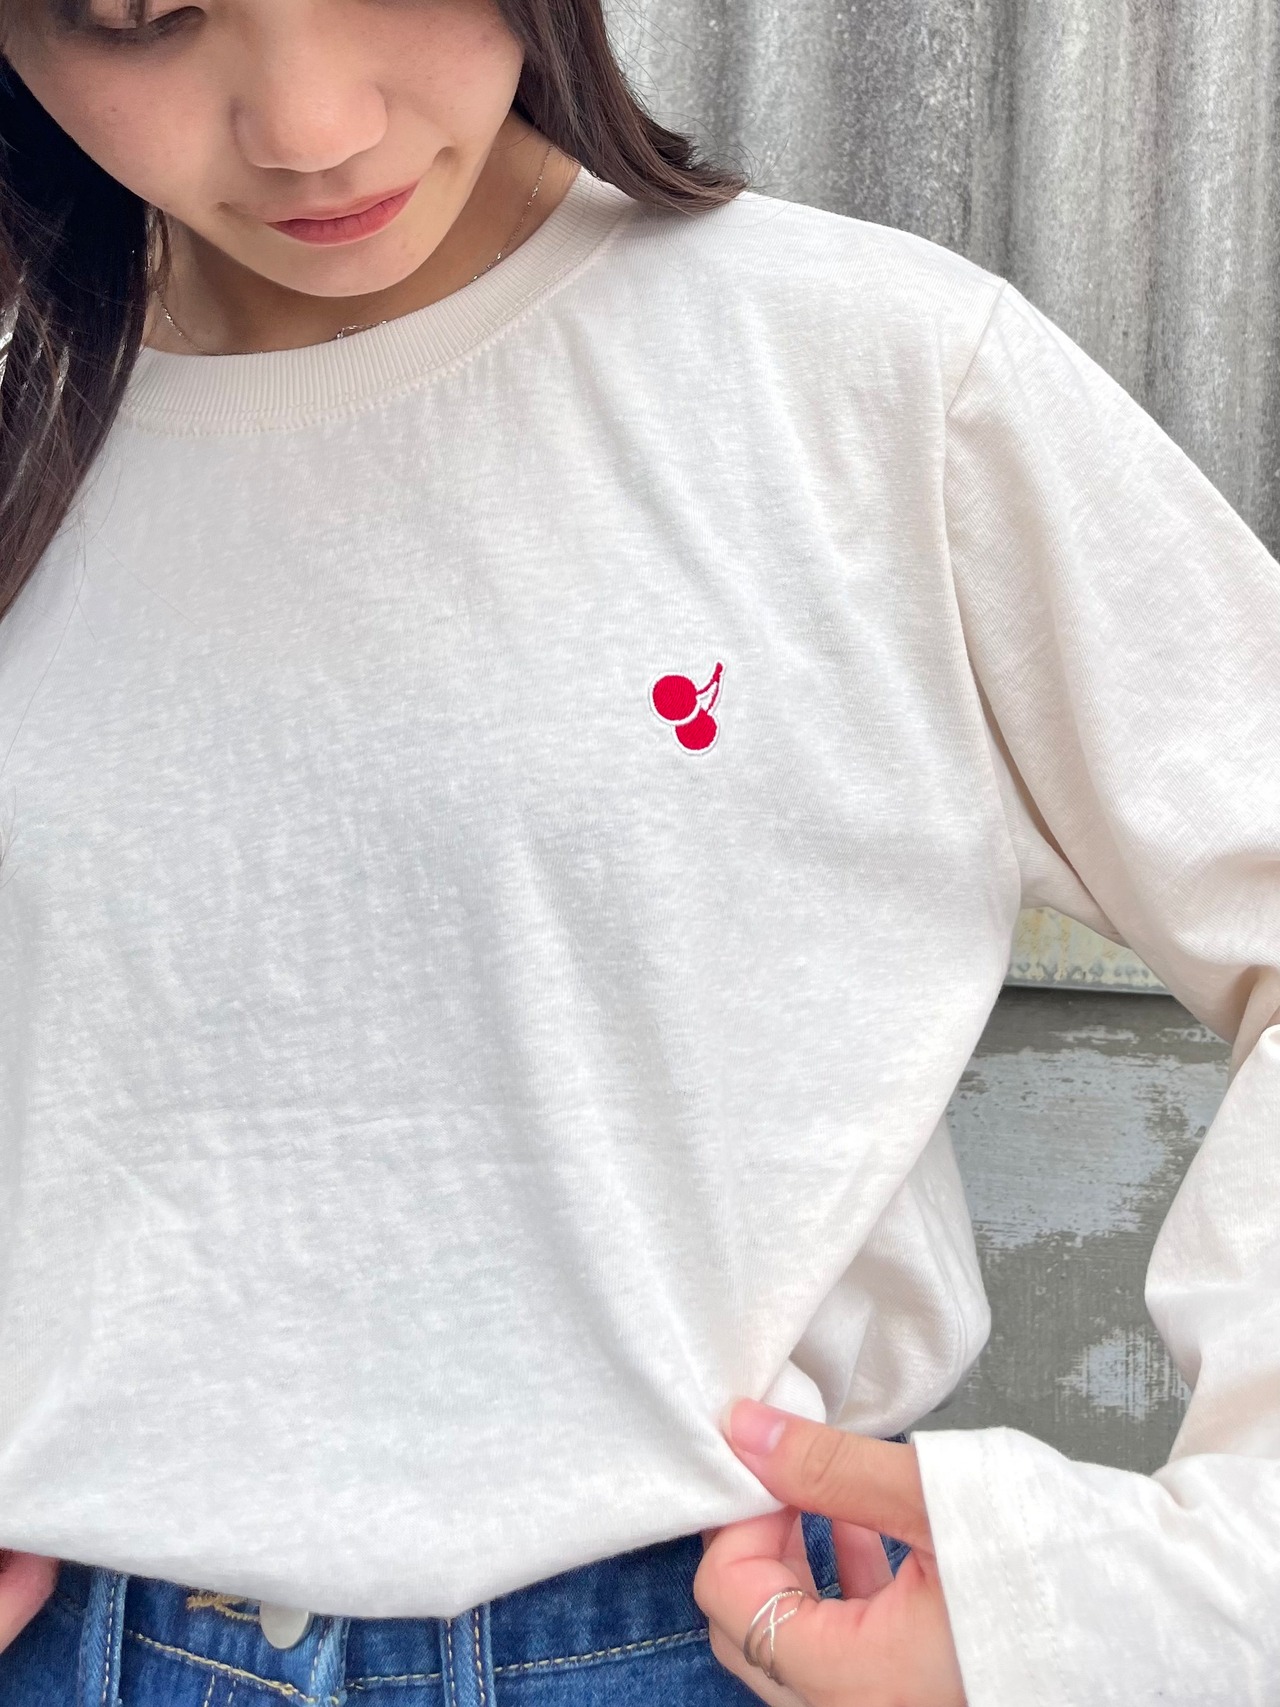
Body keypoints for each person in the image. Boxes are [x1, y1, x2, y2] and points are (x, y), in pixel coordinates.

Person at [0, 0, 1275, 1702]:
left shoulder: (859, 370)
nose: (311, 126)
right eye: (135, 14)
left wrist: (1188, 1592)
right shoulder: (25, 426)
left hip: (715, 1638)